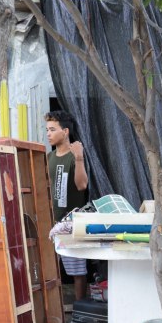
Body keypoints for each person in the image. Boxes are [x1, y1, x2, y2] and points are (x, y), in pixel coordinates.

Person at [44, 111, 90, 300]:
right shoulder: (49, 157)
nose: (48, 134)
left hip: (72, 221)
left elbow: (82, 185)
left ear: (65, 131)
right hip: (53, 221)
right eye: (47, 130)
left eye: (52, 130)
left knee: (77, 270)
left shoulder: (75, 155)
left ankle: (79, 310)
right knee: (53, 270)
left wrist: (78, 158)